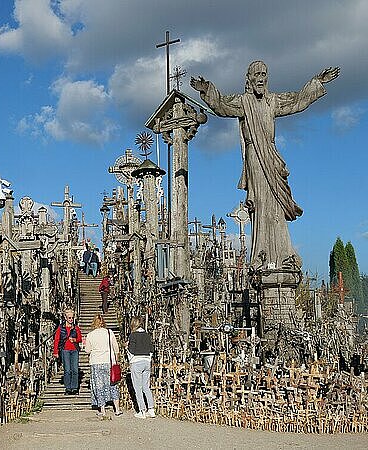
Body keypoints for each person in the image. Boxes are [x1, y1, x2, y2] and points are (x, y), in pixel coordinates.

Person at [190, 62, 339, 270]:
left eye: (264, 74)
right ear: (249, 79)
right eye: (256, 75)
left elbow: (297, 101)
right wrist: (207, 89)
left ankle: (283, 252)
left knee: (276, 205)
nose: (260, 78)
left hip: (270, 155)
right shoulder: (243, 102)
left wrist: (318, 82)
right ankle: (261, 252)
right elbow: (221, 106)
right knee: (260, 203)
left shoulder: (273, 101)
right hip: (255, 156)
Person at [84, 315, 122, 416]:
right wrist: (116, 359)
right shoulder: (109, 333)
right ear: (103, 322)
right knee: (113, 384)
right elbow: (116, 348)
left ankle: (102, 410)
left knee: (99, 386)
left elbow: (87, 350)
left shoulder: (90, 335)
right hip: (109, 361)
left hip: (96, 362)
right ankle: (117, 409)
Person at [127, 316, 155, 419]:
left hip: (136, 362)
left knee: (137, 387)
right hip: (147, 361)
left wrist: (130, 358)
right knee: (146, 387)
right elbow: (151, 349)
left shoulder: (133, 335)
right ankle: (151, 409)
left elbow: (131, 351)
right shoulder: (147, 335)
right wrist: (148, 358)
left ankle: (142, 410)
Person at [53, 309, 82, 395]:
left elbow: (80, 339)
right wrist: (55, 351)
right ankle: (68, 388)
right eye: (69, 318)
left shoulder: (76, 328)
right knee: (67, 369)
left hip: (74, 350)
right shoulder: (60, 328)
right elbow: (57, 339)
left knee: (75, 369)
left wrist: (75, 339)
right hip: (65, 350)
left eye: (72, 318)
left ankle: (75, 387)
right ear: (65, 318)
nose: (71, 319)